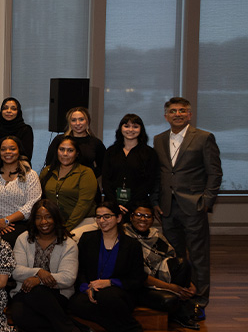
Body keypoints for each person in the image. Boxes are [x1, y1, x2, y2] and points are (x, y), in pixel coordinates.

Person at [152, 97, 221, 313]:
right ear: (166, 116)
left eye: (182, 111)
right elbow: (159, 174)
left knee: (199, 256)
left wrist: (206, 202)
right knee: (174, 256)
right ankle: (178, 294)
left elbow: (215, 173)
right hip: (167, 208)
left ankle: (200, 300)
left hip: (194, 206)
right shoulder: (159, 139)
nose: (178, 114)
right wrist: (155, 201)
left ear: (189, 115)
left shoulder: (204, 137)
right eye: (173, 111)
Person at [69, 200, 147, 332]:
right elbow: (79, 270)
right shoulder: (88, 239)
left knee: (107, 296)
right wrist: (86, 288)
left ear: (118, 218)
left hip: (119, 293)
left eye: (107, 216)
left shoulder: (132, 245)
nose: (102, 221)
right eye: (98, 217)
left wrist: (110, 282)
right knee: (75, 304)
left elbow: (138, 279)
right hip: (90, 291)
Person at [123, 201, 200, 329]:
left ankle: (181, 306)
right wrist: (171, 287)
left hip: (159, 276)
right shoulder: (124, 236)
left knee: (183, 263)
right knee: (169, 300)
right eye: (138, 215)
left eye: (147, 216)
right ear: (131, 217)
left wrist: (190, 285)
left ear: (153, 219)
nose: (143, 219)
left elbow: (172, 258)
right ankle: (181, 311)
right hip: (139, 285)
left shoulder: (156, 235)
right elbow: (139, 276)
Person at [8, 200, 79, 332]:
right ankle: (71, 326)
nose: (43, 222)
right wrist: (39, 272)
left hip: (56, 294)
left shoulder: (68, 244)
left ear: (55, 218)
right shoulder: (24, 239)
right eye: (38, 218)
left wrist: (38, 280)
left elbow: (68, 277)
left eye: (48, 217)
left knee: (36, 293)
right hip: (23, 291)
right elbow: (15, 271)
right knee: (20, 317)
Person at [0, 136, 41, 245]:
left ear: (19, 151)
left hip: (19, 223)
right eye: (3, 149)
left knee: (3, 242)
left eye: (12, 149)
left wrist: (6, 220)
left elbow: (31, 205)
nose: (8, 152)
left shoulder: (30, 175)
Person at [38, 136, 97, 233]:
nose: (65, 154)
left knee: (69, 240)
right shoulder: (47, 171)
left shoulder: (85, 172)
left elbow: (83, 205)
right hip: (55, 222)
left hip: (84, 220)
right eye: (61, 149)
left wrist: (66, 228)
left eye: (70, 150)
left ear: (77, 153)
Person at [102, 114, 159, 208]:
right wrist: (115, 203)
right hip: (112, 204)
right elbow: (105, 180)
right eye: (126, 126)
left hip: (139, 204)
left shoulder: (149, 153)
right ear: (121, 128)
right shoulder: (111, 151)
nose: (131, 130)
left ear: (141, 129)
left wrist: (130, 204)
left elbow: (150, 181)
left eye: (135, 127)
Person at [43, 107, 107, 178]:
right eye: (73, 120)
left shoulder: (95, 142)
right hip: (62, 181)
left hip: (85, 181)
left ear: (87, 121)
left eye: (81, 119)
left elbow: (104, 166)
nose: (77, 123)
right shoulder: (60, 140)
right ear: (69, 123)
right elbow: (50, 163)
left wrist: (90, 176)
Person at [0, 97, 34, 164]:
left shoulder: (25, 130)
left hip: (19, 167)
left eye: (13, 109)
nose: (9, 111)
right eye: (5, 108)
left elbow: (26, 155)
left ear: (18, 112)